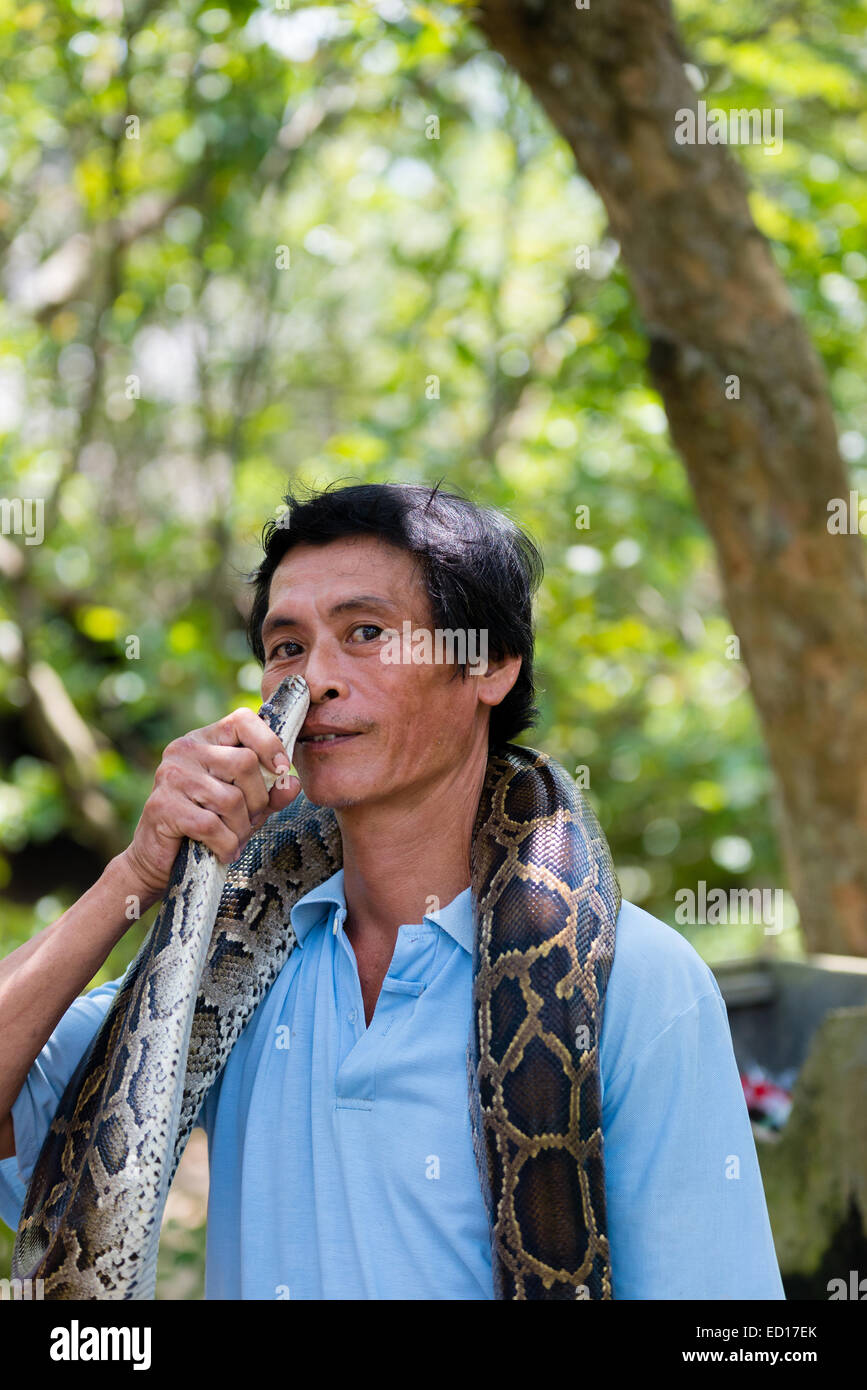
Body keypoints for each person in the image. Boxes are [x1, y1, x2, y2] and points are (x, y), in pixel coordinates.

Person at [0, 482, 785, 1299]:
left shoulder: (643, 983)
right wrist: (134, 876)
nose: (316, 681)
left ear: (487, 665)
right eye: (285, 648)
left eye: (365, 633)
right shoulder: (232, 947)